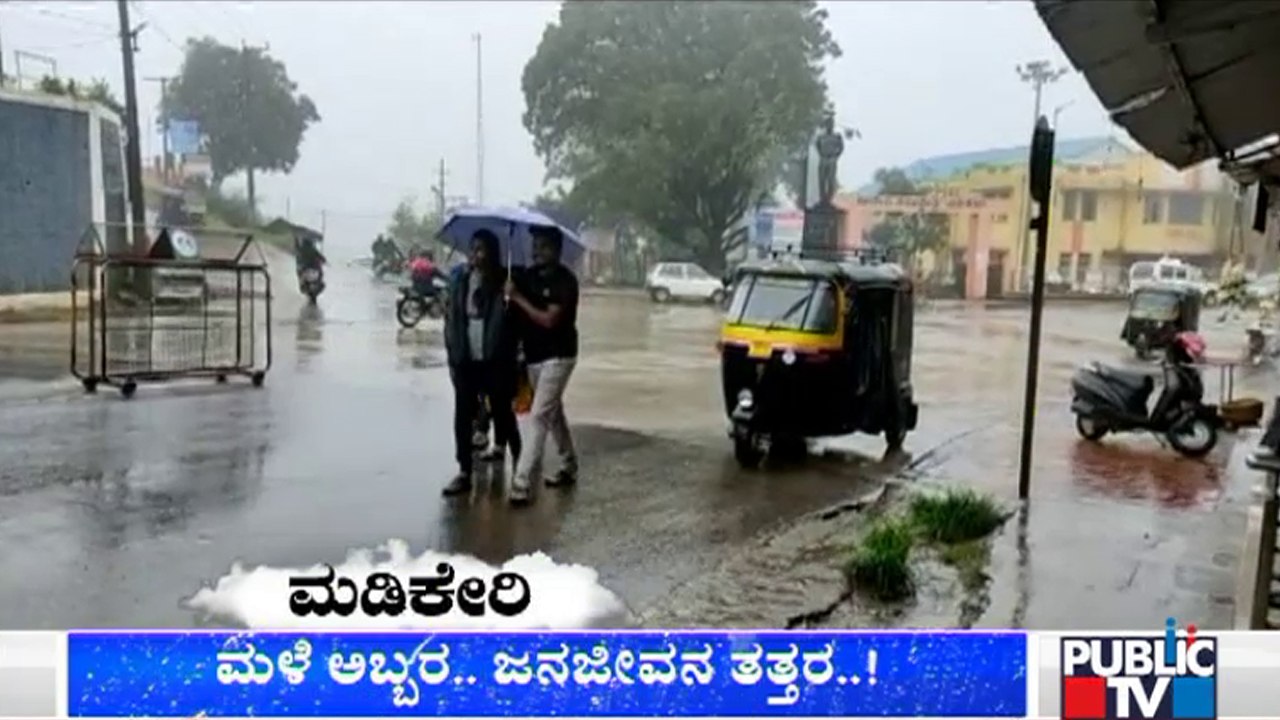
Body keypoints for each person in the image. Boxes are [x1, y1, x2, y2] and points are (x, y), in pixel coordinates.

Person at [441, 230, 522, 496]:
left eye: (482, 249)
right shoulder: (460, 279)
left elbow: (513, 326)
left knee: (503, 413)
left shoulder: (504, 283)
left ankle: (522, 469)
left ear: (492, 253)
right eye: (473, 249)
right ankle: (464, 471)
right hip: (466, 359)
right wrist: (454, 354)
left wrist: (511, 299)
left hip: (495, 361)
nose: (477, 255)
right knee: (463, 415)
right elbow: (452, 318)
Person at [504, 225, 579, 506]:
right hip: (533, 357)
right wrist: (509, 294)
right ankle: (569, 463)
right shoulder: (525, 276)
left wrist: (519, 298)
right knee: (553, 412)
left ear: (557, 250)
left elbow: (549, 320)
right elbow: (513, 312)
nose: (537, 251)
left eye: (544, 246)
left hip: (559, 356)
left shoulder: (565, 281)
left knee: (538, 417)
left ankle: (521, 482)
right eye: (535, 245)